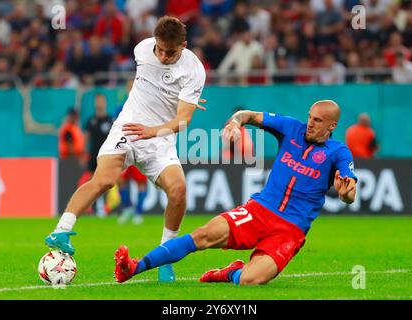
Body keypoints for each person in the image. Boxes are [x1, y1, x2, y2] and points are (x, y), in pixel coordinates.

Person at [113, 100, 357, 285]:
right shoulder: (292, 128)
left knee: (251, 280)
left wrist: (344, 194)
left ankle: (231, 272)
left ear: (332, 125)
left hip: (290, 230)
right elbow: (248, 114)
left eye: (317, 121)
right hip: (260, 211)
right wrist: (235, 123)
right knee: (203, 235)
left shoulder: (338, 152)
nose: (310, 123)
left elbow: (350, 193)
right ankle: (134, 267)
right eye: (309, 117)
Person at [45, 16, 206, 283]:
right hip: (128, 130)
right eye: (161, 49)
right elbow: (153, 82)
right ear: (154, 42)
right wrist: (178, 98)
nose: (164, 56)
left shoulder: (194, 69)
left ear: (184, 46)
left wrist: (162, 122)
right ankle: (61, 230)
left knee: (178, 190)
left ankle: (166, 256)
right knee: (104, 180)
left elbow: (183, 120)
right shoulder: (142, 49)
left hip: (159, 139)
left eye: (172, 52)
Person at [114, 79, 148, 225]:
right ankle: (128, 208)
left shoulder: (145, 108)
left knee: (141, 183)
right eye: (129, 87)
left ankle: (138, 212)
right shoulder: (120, 109)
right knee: (120, 180)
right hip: (124, 150)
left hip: (140, 150)